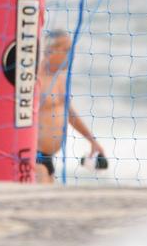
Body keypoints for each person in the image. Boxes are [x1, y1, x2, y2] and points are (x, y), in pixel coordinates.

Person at [36, 30, 104, 183]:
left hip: (48, 158)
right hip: (34, 157)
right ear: (49, 51)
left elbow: (70, 114)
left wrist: (92, 141)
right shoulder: (36, 80)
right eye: (66, 50)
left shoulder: (60, 79)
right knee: (42, 200)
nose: (71, 55)